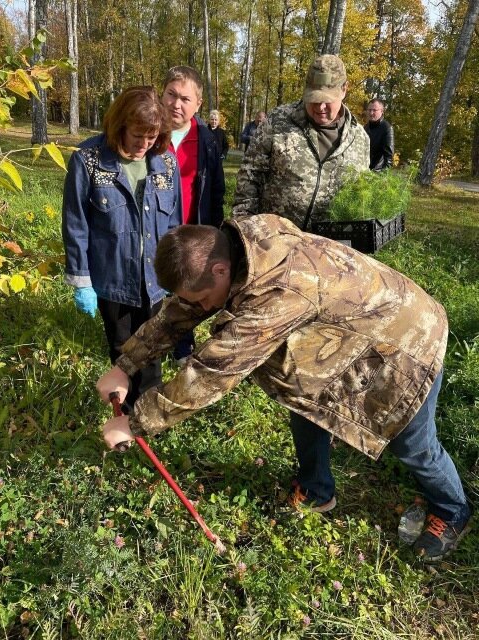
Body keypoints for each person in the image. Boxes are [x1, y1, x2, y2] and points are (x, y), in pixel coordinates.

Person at [97, 214, 471, 562]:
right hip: (349, 330)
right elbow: (185, 308)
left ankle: (453, 509)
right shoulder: (238, 245)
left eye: (201, 298)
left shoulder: (279, 291)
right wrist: (126, 365)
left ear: (220, 269)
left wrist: (135, 423)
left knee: (412, 442)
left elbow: (213, 371)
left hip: (408, 338)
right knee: (307, 400)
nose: (198, 307)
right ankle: (317, 490)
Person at [62, 86, 182, 411]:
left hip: (155, 282)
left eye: (152, 136)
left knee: (153, 350)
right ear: (119, 126)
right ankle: (125, 419)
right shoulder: (88, 161)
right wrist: (81, 280)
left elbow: (174, 224)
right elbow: (76, 224)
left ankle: (148, 418)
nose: (144, 144)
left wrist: (178, 274)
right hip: (112, 280)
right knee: (123, 350)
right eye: (137, 135)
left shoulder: (167, 164)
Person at [233, 55, 370, 231]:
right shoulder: (278, 121)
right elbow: (249, 175)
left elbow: (361, 196)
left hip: (328, 249)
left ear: (344, 89)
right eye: (314, 99)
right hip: (276, 242)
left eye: (327, 100)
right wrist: (244, 228)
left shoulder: (359, 138)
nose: (320, 107)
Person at [161, 65, 225, 362]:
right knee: (155, 289)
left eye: (185, 99)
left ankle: (181, 346)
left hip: (190, 229)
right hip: (154, 228)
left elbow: (216, 190)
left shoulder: (207, 141)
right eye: (171, 95)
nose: (176, 104)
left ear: (198, 103)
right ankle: (147, 347)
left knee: (185, 290)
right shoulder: (149, 131)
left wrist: (212, 234)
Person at [364, 99, 394, 171]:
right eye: (369, 110)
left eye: (374, 110)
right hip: (364, 170)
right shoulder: (365, 127)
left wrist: (384, 176)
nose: (371, 113)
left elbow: (389, 157)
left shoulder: (387, 128)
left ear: (381, 111)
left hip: (377, 172)